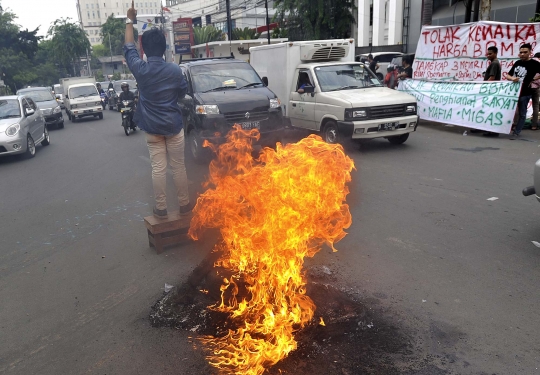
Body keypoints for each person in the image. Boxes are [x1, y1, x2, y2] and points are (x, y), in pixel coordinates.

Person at [123, 1, 191, 219]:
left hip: (152, 129)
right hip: (174, 127)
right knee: (179, 167)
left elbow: (129, 48)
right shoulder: (174, 70)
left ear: (145, 49)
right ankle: (184, 205)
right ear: (164, 49)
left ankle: (160, 209)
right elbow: (182, 93)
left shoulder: (140, 69)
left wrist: (129, 20)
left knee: (158, 169)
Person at [507, 43, 540, 136]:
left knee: (522, 112)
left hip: (525, 92)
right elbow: (508, 75)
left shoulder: (535, 64)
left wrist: (534, 79)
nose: (522, 54)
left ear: (530, 52)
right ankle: (509, 127)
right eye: (521, 52)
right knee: (511, 111)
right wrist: (512, 78)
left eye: (525, 52)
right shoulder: (517, 63)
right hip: (513, 92)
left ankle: (517, 132)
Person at [482, 46, 502, 137]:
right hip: (492, 89)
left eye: (490, 54)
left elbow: (492, 77)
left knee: (490, 110)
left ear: (495, 53)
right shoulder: (494, 63)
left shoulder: (494, 63)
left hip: (491, 90)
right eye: (488, 53)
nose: (488, 55)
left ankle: (493, 131)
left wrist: (483, 87)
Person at [529, 52, 540, 130]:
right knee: (535, 106)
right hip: (536, 87)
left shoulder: (528, 62)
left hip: (527, 86)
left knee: (522, 105)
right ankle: (534, 125)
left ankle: (516, 124)